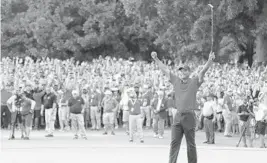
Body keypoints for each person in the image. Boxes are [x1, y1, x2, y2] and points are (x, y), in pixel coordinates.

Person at [151, 51, 215, 163]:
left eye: (185, 70)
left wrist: (210, 61)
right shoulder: (176, 80)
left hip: (189, 116)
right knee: (174, 143)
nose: (182, 72)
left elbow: (202, 72)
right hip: (178, 115)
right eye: (181, 70)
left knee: (191, 144)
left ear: (189, 72)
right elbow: (165, 69)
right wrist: (156, 59)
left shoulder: (194, 81)